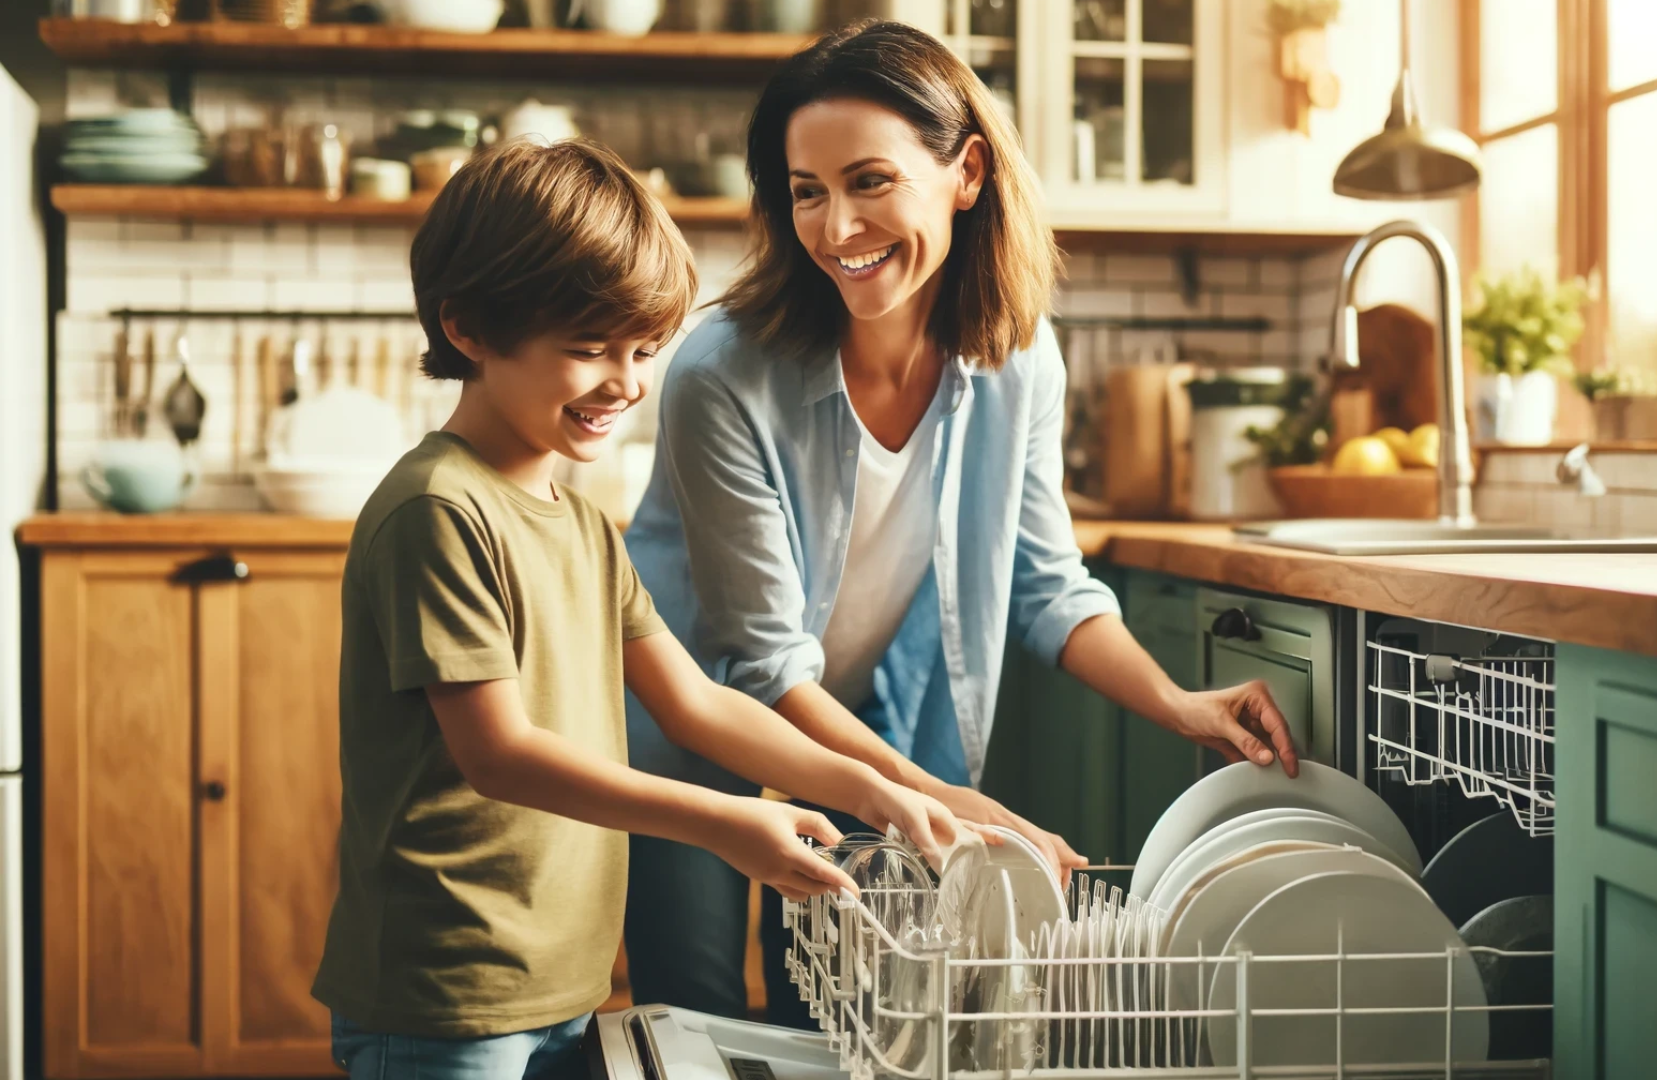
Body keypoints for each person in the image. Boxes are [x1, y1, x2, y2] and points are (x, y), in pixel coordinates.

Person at [623, 20, 1299, 1028]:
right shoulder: (722, 370)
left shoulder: (1016, 358)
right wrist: (946, 802)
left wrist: (1180, 704)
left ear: (967, 172)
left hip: (862, 714)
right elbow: (761, 666)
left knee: (850, 1005)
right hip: (692, 720)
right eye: (807, 191)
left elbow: (1045, 583)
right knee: (698, 1011)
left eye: (870, 180)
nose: (837, 226)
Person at [311, 138, 961, 1080]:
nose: (627, 382)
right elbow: (499, 754)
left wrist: (871, 791)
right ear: (468, 330)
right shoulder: (437, 510)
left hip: (561, 982)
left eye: (645, 348)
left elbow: (696, 703)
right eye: (588, 349)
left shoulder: (581, 521)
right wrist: (720, 823)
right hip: (443, 995)